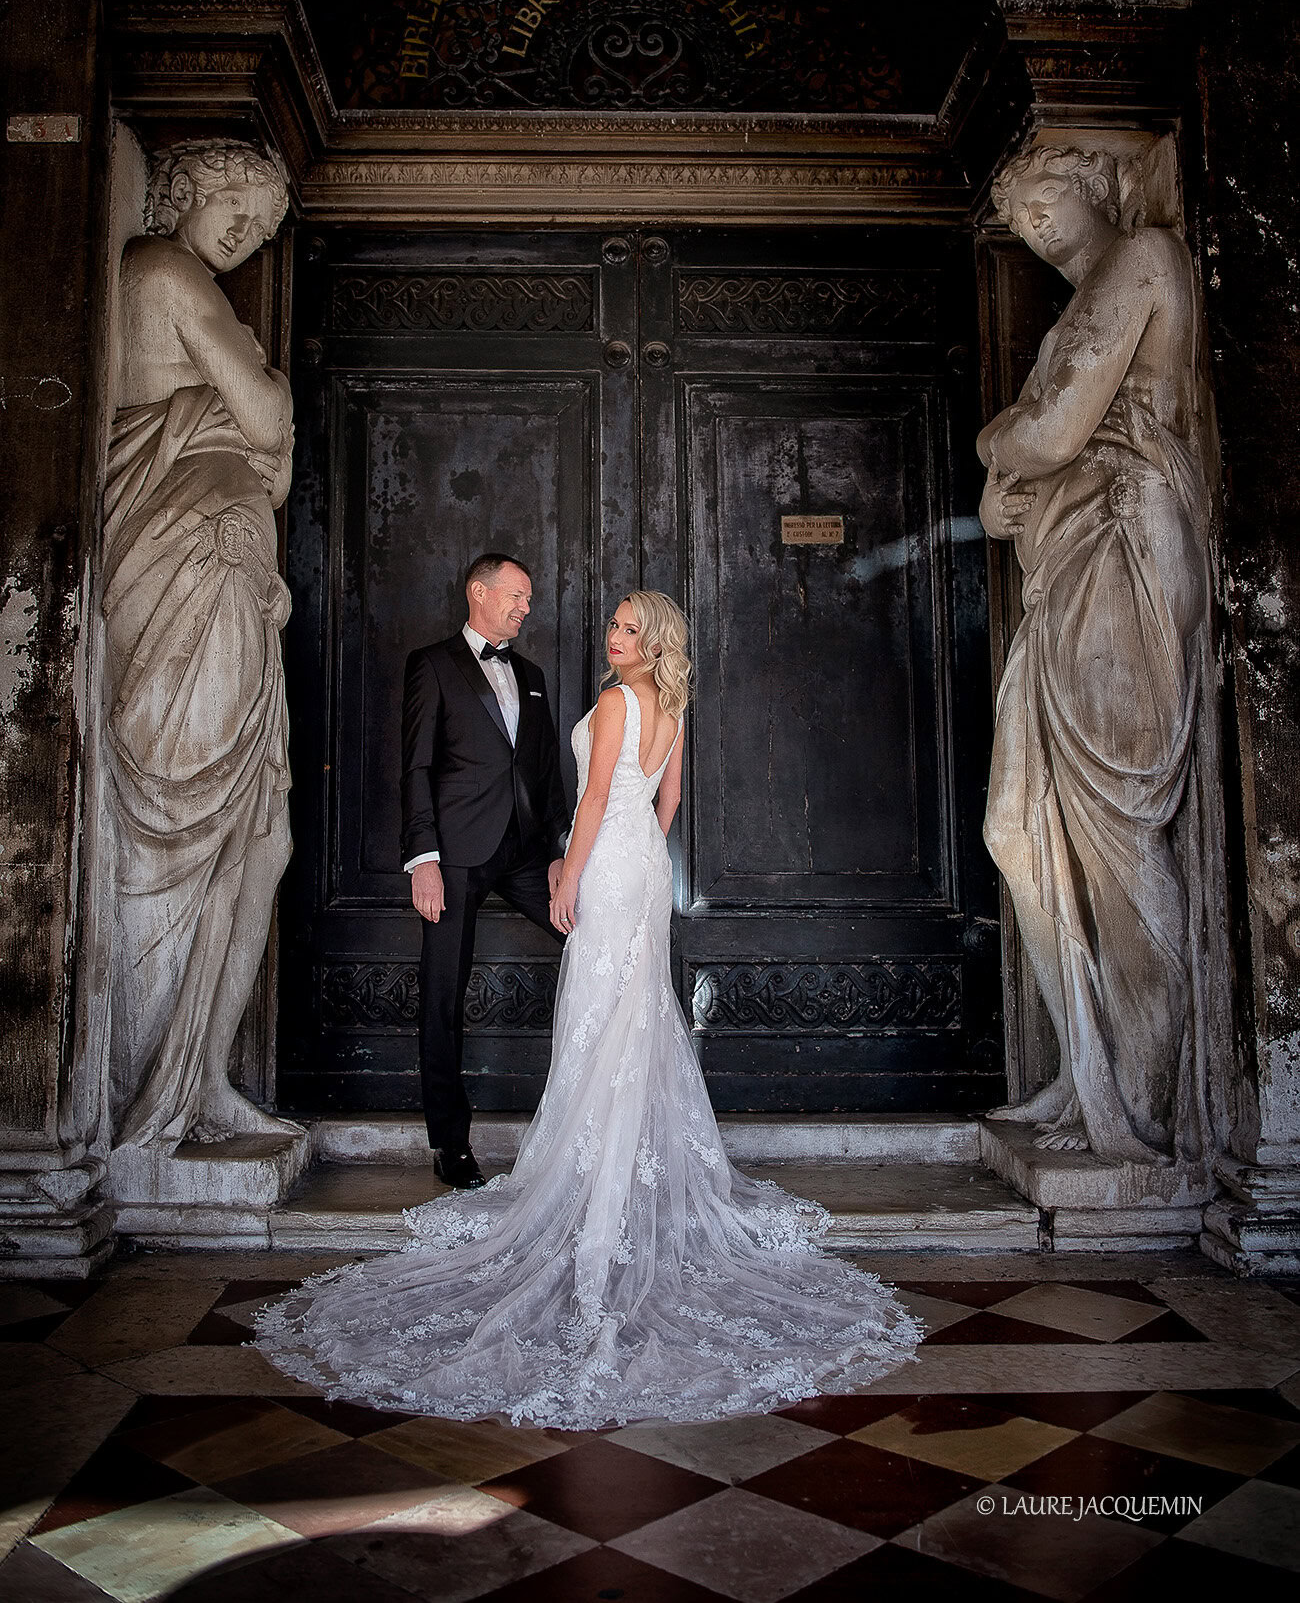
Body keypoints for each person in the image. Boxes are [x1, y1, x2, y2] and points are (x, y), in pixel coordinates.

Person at [257, 591, 920, 1428]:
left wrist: (569, 871)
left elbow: (597, 795)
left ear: (651, 643)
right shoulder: (674, 705)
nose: (611, 637)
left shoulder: (613, 700)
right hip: (647, 864)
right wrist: (636, 851)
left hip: (606, 858)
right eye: (612, 625)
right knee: (633, 1010)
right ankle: (623, 1153)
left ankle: (591, 1172)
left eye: (626, 628)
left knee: (601, 1011)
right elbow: (666, 804)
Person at [978, 144, 1211, 1163]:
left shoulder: (1144, 259)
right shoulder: (1077, 310)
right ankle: (1084, 1068)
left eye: (1045, 198)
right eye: (1018, 215)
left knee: (1115, 816)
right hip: (1062, 568)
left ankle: (1142, 1090)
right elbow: (1007, 498)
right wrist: (1010, 464)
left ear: (1100, 185)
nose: (1034, 224)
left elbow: (1049, 433)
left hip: (1121, 553)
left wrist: (999, 440)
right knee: (1016, 825)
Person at [105, 138, 301, 1149]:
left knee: (261, 840)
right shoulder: (163, 270)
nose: (247, 232)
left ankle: (202, 1078)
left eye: (266, 225)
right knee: (181, 821)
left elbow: (264, 437)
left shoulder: (191, 283)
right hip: (184, 564)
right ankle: (146, 1090)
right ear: (187, 188)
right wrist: (262, 406)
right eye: (239, 203)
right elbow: (265, 414)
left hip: (230, 570)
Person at [401, 554, 570, 1189]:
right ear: (479, 591)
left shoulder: (530, 674)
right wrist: (424, 860)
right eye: (517, 596)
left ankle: (604, 1114)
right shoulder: (433, 664)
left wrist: (558, 851)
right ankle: (450, 1143)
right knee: (443, 994)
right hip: (455, 855)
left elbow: (545, 770)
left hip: (525, 852)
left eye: (529, 598)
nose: (527, 607)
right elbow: (415, 768)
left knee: (593, 937)